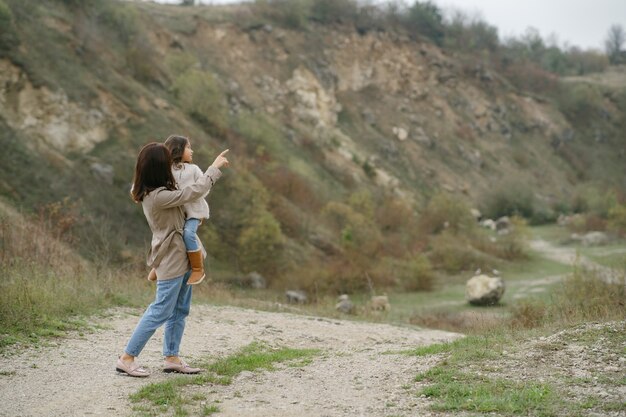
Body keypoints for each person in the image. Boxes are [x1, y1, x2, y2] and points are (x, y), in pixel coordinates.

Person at [116, 142, 229, 377]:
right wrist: (214, 168)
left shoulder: (156, 189)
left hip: (182, 255)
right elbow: (193, 192)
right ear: (159, 167)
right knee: (160, 310)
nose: (172, 164)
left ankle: (172, 358)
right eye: (168, 160)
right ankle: (127, 358)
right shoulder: (158, 196)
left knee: (179, 310)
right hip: (172, 257)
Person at [146, 135, 212, 285]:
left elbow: (203, 188)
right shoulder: (165, 170)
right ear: (177, 150)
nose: (191, 150)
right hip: (178, 213)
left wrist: (188, 194)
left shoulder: (194, 169)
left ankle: (197, 268)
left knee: (188, 234)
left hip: (194, 212)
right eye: (188, 147)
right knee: (166, 237)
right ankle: (159, 266)